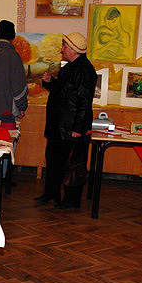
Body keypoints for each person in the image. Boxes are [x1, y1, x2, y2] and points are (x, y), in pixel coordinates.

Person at [35, 32, 97, 209]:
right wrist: (49, 82)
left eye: (65, 46)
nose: (62, 49)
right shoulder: (70, 67)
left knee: (72, 164)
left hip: (71, 127)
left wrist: (78, 128)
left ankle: (71, 199)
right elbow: (62, 91)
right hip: (59, 126)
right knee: (54, 161)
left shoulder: (85, 70)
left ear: (73, 49)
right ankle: (51, 193)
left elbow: (84, 101)